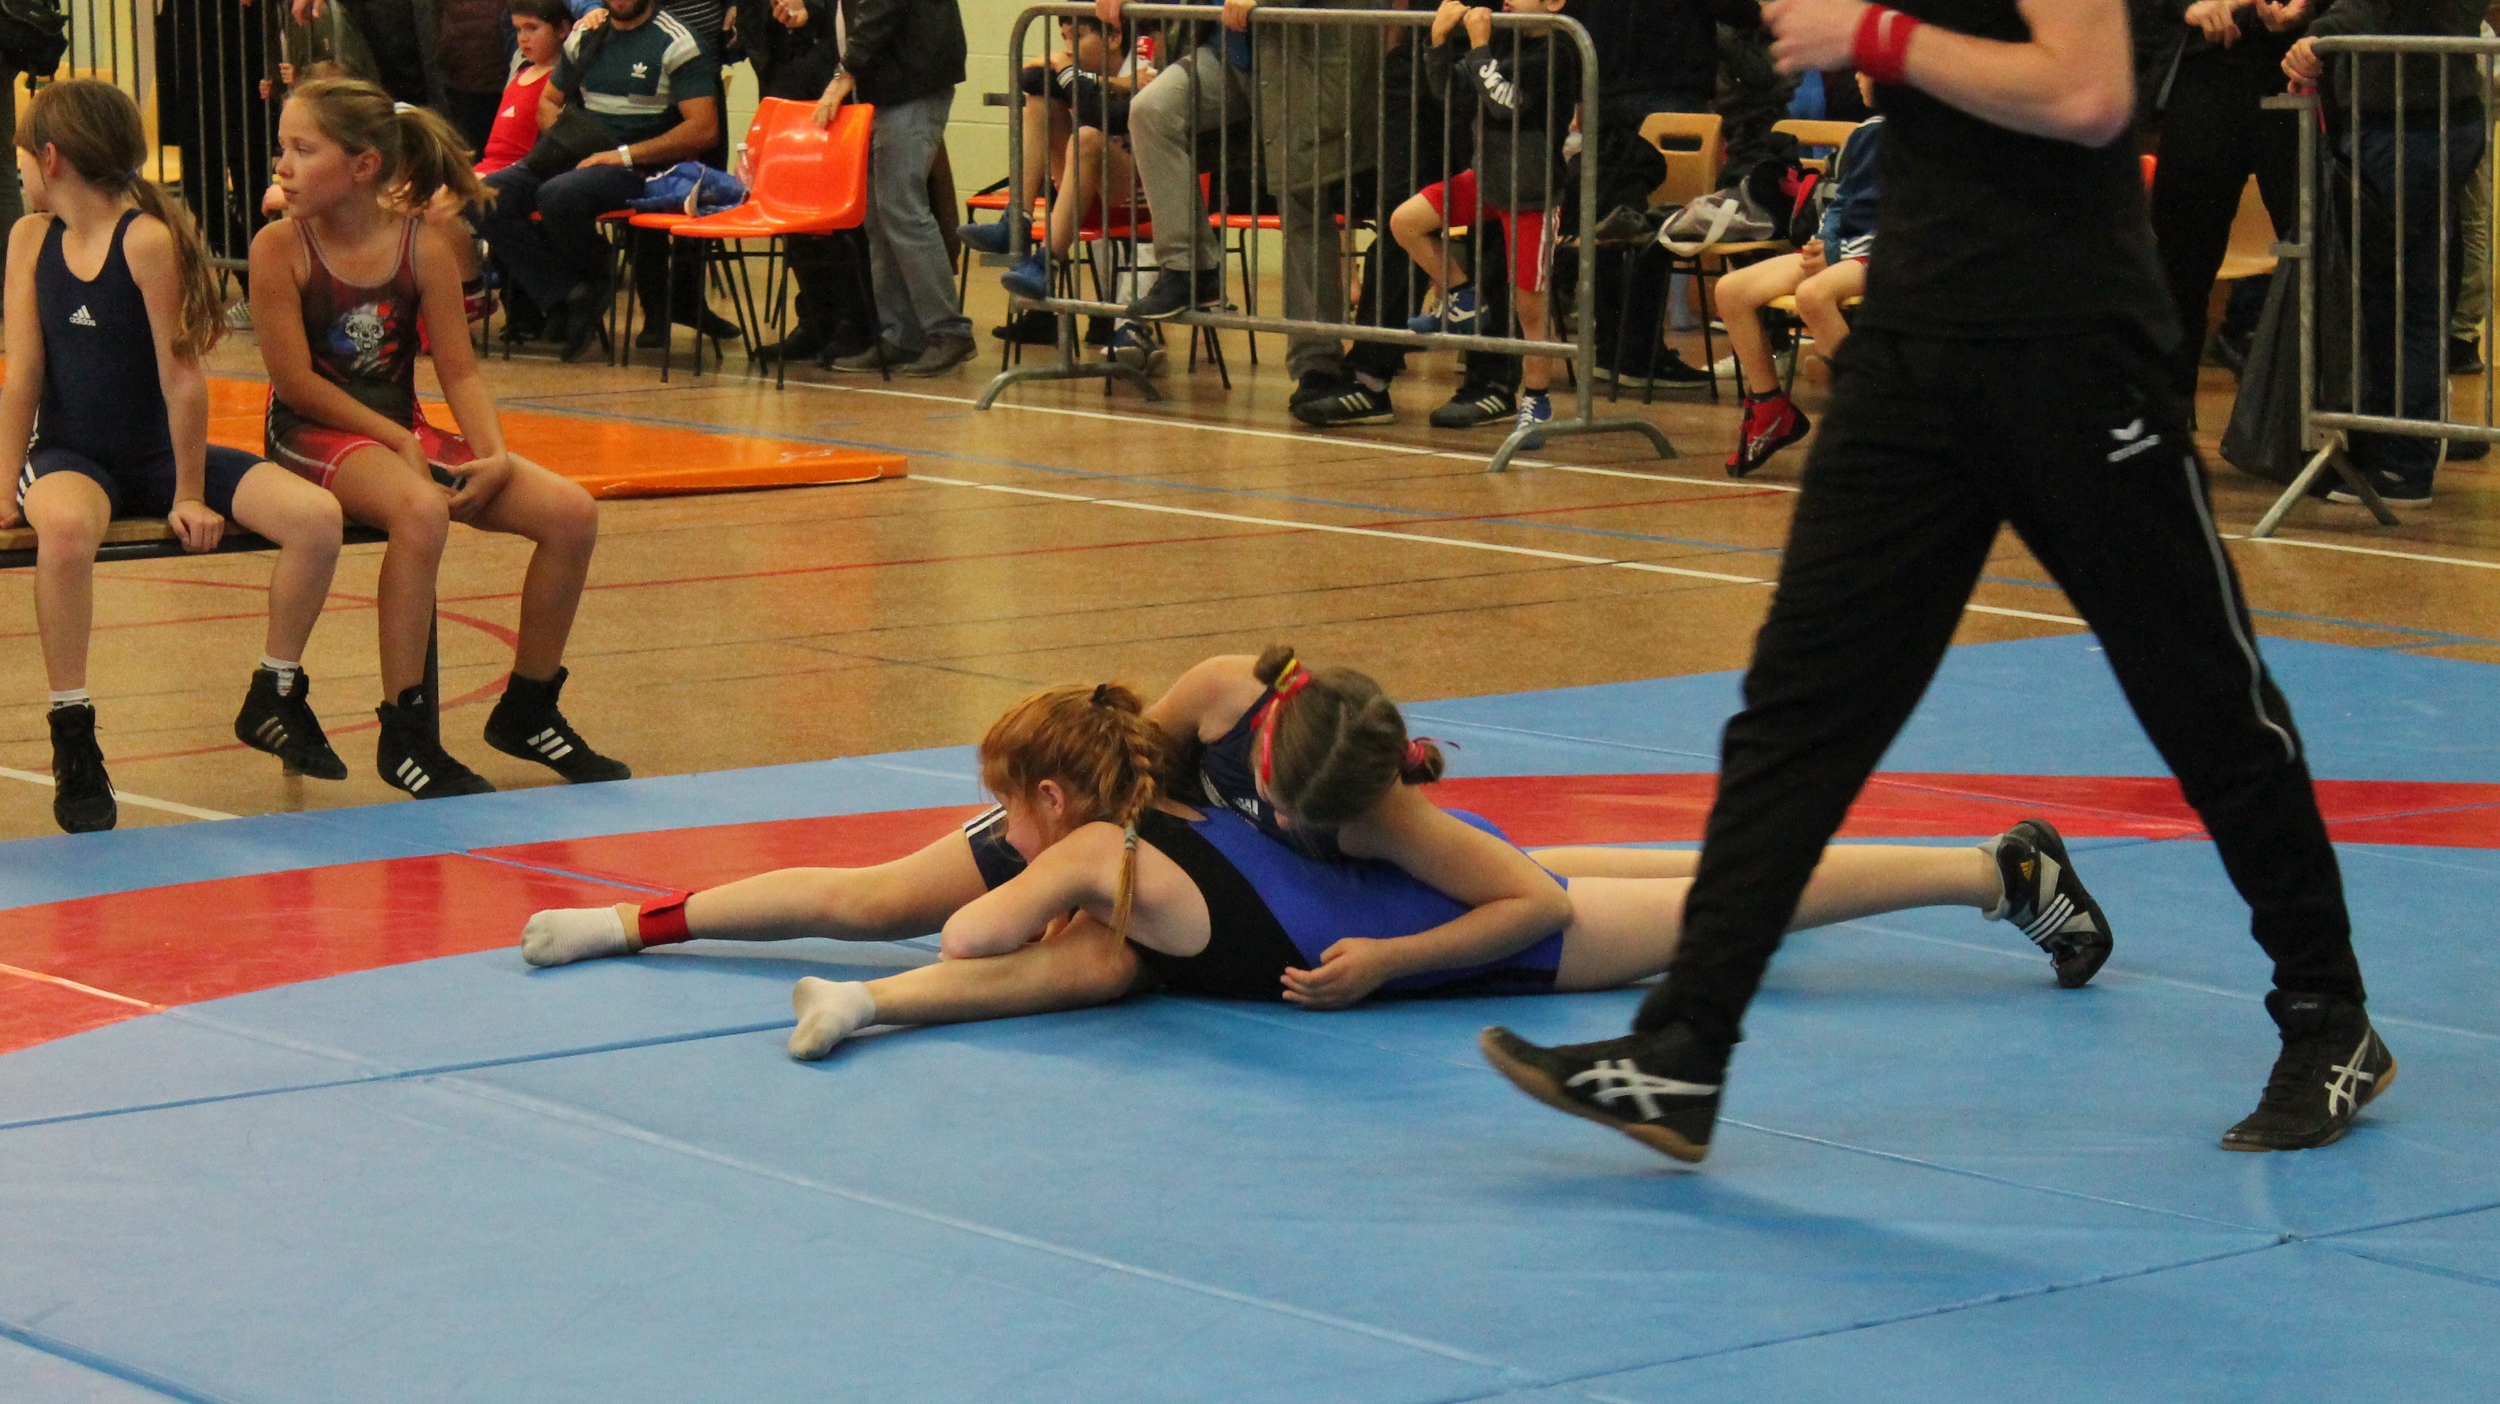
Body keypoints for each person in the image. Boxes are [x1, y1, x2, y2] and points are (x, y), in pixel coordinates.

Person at [1479, 0, 2390, 1164]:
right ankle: (1682, 1048)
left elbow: (2085, 94)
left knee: (2199, 692)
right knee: (1800, 706)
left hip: (2067, 348)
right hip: (1914, 344)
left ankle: (2327, 1013)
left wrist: (1872, 35)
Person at [519, 662, 2111, 1052]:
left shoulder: (1386, 822)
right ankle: (643, 926)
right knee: (893, 901)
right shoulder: (1206, 715)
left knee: (1724, 908)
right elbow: (927, 904)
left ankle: (1992, 870)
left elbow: (1520, 903)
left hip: (1453, 920)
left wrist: (1388, 962)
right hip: (1201, 868)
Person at [253, 78, 629, 797]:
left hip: (399, 431)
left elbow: (459, 370)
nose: (283, 167)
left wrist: (493, 454)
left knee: (571, 513)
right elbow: (296, 384)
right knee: (420, 510)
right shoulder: (280, 247)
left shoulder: (422, 248)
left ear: (363, 166)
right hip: (311, 432)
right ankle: (406, 731)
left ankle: (529, 705)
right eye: (283, 149)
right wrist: (394, 441)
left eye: (302, 150)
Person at [0, 81, 347, 834]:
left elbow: (181, 379)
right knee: (66, 532)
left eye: (21, 158)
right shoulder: (30, 239)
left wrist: (189, 492)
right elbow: (22, 371)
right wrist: (4, 488)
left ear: (51, 159)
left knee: (318, 519)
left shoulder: (145, 240)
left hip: (161, 459)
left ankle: (275, 689)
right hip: (69, 457)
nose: (18, 172)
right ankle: (72, 730)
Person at [1111, 0, 1384, 410]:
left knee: (1301, 200)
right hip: (1228, 54)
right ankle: (1189, 268)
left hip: (1300, 62)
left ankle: (1316, 363)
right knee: (1151, 110)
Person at [2285, 0, 2486, 507]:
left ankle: (2402, 457)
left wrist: (2322, 34)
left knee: (2399, 296)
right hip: (2430, 111)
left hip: (2407, 119)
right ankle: (2400, 449)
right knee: (2408, 289)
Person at [476, 0, 733, 361]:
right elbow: (548, 102)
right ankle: (569, 291)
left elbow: (704, 129)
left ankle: (594, 276)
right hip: (578, 155)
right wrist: (570, 142)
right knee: (480, 196)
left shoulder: (678, 42)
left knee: (558, 194)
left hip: (639, 167)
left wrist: (622, 155)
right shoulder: (587, 35)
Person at [1385, 0, 1580, 448]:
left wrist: (1478, 45)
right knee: (1406, 221)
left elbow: (1504, 105)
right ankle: (1462, 295)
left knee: (1530, 306)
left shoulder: (1557, 52)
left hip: (1531, 192)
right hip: (1488, 177)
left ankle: (1536, 400)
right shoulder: (1504, 41)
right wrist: (1438, 41)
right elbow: (1450, 93)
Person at [2135, 0, 2302, 402]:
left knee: (2319, 258)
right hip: (2204, 67)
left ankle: (2318, 422)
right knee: (2180, 266)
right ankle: (2169, 415)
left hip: (2300, 67)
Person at [1715, 77, 1880, 475]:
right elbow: (1842, 201)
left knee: (1813, 295)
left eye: (1866, 70)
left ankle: (1870, 418)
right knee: (1731, 291)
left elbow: (1906, 218)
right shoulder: (1867, 132)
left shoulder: (1921, 140)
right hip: (1845, 250)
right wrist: (1821, 243)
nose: (1857, 77)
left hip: (1888, 254)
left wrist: (1836, 254)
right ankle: (1771, 409)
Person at [817, 0, 981, 377]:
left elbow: (881, 9)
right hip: (883, 84)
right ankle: (901, 333)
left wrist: (845, 73)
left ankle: (948, 330)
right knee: (878, 216)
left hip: (910, 83)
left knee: (901, 208)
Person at [742, 0, 875, 366]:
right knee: (793, 201)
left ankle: (857, 319)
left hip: (834, 64)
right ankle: (815, 318)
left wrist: (812, 9)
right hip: (779, 61)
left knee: (841, 207)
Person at [476, 0, 575, 177]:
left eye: (532, 28)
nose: (523, 38)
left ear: (562, 30)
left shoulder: (558, 83)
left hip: (517, 174)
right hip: (488, 167)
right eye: (518, 29)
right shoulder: (520, 73)